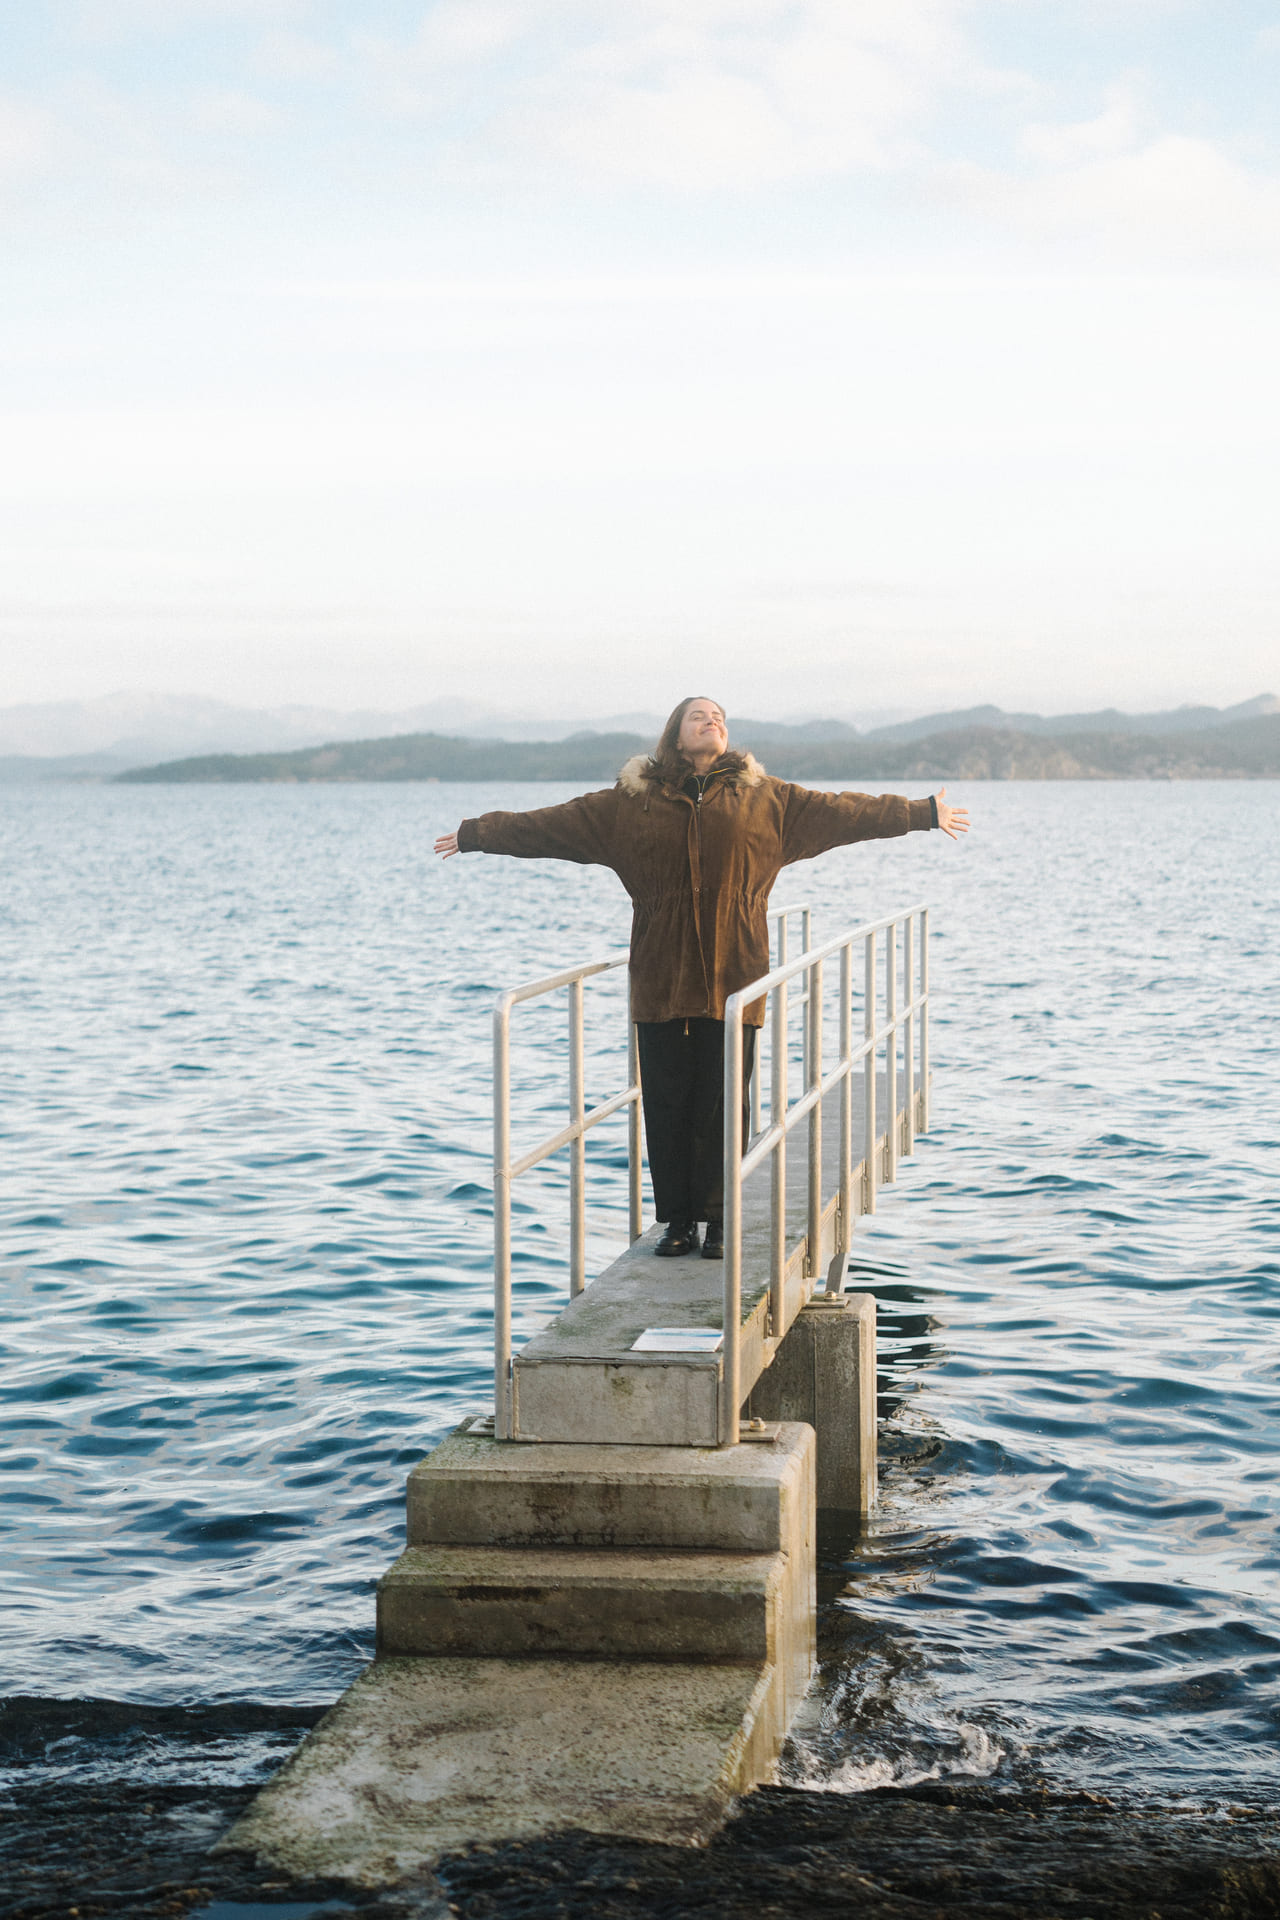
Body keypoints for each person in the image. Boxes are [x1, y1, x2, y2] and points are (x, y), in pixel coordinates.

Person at [435, 697, 969, 1258]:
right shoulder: (630, 805)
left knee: (723, 1101)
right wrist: (476, 833)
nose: (712, 721)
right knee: (666, 1102)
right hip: (661, 975)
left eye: (718, 717)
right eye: (698, 716)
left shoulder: (767, 799)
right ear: (675, 736)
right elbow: (547, 826)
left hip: (734, 973)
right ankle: (678, 1222)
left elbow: (845, 812)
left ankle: (718, 1219)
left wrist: (921, 812)